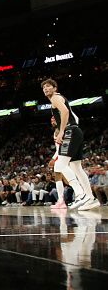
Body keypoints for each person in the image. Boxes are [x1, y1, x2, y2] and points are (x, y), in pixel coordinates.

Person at [41, 78, 100, 211]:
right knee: (76, 167)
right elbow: (72, 115)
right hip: (75, 131)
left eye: (48, 86)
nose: (45, 88)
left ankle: (80, 194)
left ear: (55, 88)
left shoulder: (56, 98)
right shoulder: (58, 99)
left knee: (60, 164)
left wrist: (62, 131)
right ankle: (90, 198)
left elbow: (66, 112)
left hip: (70, 131)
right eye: (43, 87)